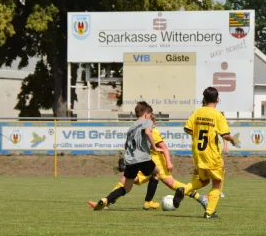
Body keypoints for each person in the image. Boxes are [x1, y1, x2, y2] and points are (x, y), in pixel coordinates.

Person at [88, 114, 208, 210]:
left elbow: (164, 148)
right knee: (124, 181)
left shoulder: (153, 133)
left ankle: (200, 197)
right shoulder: (141, 131)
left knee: (173, 185)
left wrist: (169, 162)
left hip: (157, 165)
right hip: (145, 163)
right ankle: (107, 201)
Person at [91, 102, 163, 211]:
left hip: (130, 160)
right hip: (142, 157)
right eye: (150, 114)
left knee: (127, 188)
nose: (150, 117)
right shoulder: (146, 121)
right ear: (145, 113)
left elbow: (126, 145)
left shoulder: (131, 127)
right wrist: (155, 147)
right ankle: (148, 202)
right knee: (156, 173)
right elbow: (148, 132)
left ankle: (105, 200)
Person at [179, 87, 238, 219]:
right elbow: (225, 135)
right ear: (218, 99)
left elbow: (187, 129)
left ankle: (184, 189)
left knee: (203, 180)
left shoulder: (197, 112)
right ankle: (209, 212)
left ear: (204, 99)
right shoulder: (218, 115)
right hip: (211, 154)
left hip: (198, 153)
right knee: (217, 182)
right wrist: (233, 139)